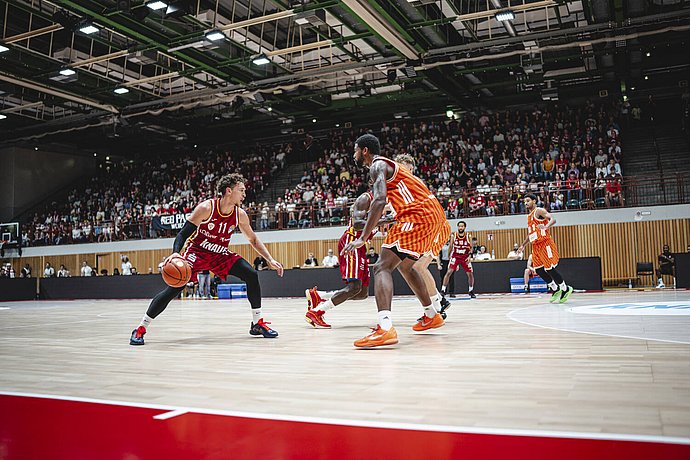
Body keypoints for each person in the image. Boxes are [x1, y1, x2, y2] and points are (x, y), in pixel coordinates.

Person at [130, 173, 284, 346]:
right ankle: (140, 328)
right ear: (229, 191)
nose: (244, 194)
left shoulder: (240, 214)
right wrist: (175, 253)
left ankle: (257, 324)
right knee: (175, 288)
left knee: (251, 274)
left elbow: (253, 239)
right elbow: (182, 234)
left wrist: (270, 259)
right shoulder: (206, 208)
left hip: (219, 254)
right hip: (197, 253)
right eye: (241, 190)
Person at [342, 134, 446, 348]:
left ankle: (385, 328)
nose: (354, 155)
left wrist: (362, 238)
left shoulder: (377, 165)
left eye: (355, 150)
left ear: (364, 151)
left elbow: (379, 200)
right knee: (406, 266)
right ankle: (431, 314)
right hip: (432, 215)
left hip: (417, 216)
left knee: (381, 267)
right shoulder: (388, 167)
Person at [305, 192, 391, 328]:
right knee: (354, 287)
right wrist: (385, 220)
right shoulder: (365, 199)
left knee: (362, 293)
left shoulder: (385, 202)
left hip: (361, 246)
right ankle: (317, 312)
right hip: (352, 242)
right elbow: (357, 224)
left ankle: (319, 295)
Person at [518, 193, 573, 303]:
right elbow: (531, 234)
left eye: (528, 201)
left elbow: (553, 219)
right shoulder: (529, 217)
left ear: (534, 201)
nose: (525, 203)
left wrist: (546, 226)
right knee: (538, 269)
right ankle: (555, 288)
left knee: (549, 268)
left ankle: (565, 288)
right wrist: (523, 245)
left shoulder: (539, 211)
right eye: (524, 202)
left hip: (545, 243)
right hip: (535, 246)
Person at [441, 221, 476, 299]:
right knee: (449, 272)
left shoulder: (468, 236)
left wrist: (470, 256)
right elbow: (450, 246)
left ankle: (471, 290)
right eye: (459, 226)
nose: (460, 228)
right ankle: (443, 290)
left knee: (470, 274)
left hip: (465, 256)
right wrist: (449, 255)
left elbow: (471, 247)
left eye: (462, 226)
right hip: (456, 256)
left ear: (464, 227)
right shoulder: (454, 235)